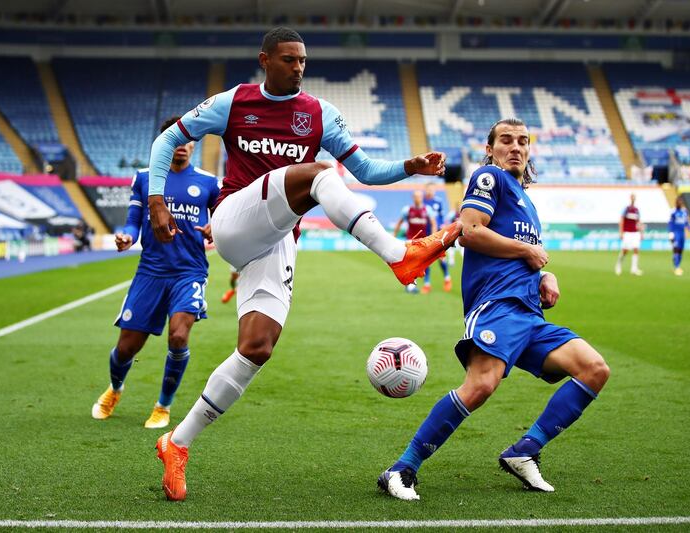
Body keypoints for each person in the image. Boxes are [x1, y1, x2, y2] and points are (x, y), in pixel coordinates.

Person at [146, 27, 461, 501]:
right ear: (265, 59)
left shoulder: (319, 114)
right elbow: (166, 141)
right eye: (290, 59)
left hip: (274, 242)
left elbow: (367, 173)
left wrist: (408, 168)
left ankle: (177, 443)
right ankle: (400, 255)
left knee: (256, 348)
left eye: (303, 61)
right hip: (234, 219)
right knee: (317, 174)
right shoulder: (233, 102)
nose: (299, 67)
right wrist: (155, 201)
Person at [378, 118, 610, 501]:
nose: (515, 147)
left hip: (530, 315)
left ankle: (524, 451)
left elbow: (523, 258)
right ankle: (402, 469)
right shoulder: (490, 178)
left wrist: (543, 278)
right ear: (490, 148)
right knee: (481, 384)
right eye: (506, 140)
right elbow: (471, 231)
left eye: (523, 141)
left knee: (594, 369)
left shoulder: (526, 200)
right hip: (496, 306)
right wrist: (528, 251)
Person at [91, 116, 220, 429]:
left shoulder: (207, 182)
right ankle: (115, 389)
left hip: (189, 271)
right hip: (150, 271)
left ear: (194, 144)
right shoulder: (145, 178)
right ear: (165, 143)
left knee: (178, 335)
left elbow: (222, 219)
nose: (183, 147)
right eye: (176, 141)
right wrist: (124, 236)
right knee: (126, 348)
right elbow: (133, 222)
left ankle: (163, 406)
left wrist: (216, 227)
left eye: (189, 141)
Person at [394, 190, 438, 293]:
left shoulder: (427, 210)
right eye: (416, 196)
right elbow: (399, 223)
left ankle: (426, 283)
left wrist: (433, 237)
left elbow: (433, 223)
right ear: (413, 198)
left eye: (419, 196)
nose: (417, 198)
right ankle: (410, 284)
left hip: (423, 241)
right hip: (410, 241)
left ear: (422, 197)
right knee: (410, 263)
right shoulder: (407, 210)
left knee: (425, 262)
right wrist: (394, 235)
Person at [423, 183, 452, 292]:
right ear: (426, 190)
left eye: (432, 189)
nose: (430, 191)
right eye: (428, 189)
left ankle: (447, 278)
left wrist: (442, 228)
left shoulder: (438, 201)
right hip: (425, 233)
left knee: (441, 257)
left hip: (438, 234)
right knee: (425, 258)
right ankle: (427, 284)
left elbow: (442, 217)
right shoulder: (423, 202)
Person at [615, 193, 643, 276]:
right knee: (625, 250)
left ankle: (634, 269)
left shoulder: (637, 210)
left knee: (636, 249)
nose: (633, 199)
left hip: (635, 232)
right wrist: (621, 232)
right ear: (630, 198)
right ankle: (618, 265)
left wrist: (641, 232)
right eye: (632, 197)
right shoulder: (626, 209)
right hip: (627, 232)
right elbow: (621, 220)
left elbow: (638, 222)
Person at [668, 197, 690, 276]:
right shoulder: (673, 211)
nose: (679, 203)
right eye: (678, 202)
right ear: (676, 203)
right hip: (676, 233)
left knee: (680, 251)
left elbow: (686, 222)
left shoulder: (684, 211)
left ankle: (677, 264)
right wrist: (671, 232)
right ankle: (677, 267)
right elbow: (670, 222)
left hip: (682, 234)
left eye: (681, 202)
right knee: (676, 249)